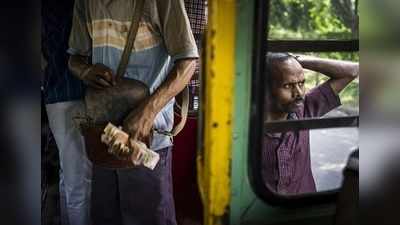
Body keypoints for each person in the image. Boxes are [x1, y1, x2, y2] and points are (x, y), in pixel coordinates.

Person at [67, 0, 198, 224]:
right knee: (106, 218)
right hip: (104, 137)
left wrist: (147, 112)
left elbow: (187, 62)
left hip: (147, 139)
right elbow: (74, 58)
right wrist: (86, 70)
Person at [262, 53, 359, 194]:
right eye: (288, 85)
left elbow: (353, 71)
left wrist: (298, 61)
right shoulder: (246, 128)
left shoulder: (304, 108)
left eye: (301, 83)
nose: (299, 93)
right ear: (266, 89)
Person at [42, 1, 92, 225]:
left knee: (69, 177)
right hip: (73, 94)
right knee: (80, 182)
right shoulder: (73, 7)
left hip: (55, 93)